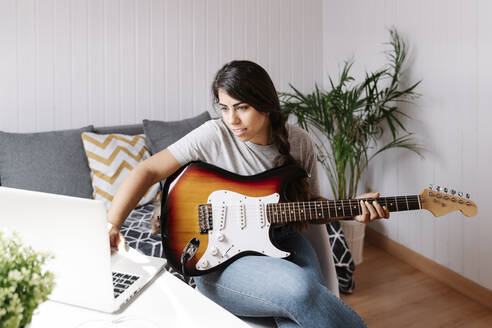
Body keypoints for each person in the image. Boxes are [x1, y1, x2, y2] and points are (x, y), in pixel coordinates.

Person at [107, 60, 389, 327]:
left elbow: (311, 205)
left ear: (265, 104)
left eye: (241, 107)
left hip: (285, 242)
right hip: (219, 259)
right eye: (225, 108)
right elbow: (146, 171)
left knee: (298, 315)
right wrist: (113, 224)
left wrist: (352, 208)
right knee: (301, 289)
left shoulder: (300, 142)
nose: (232, 119)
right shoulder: (213, 135)